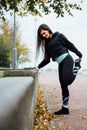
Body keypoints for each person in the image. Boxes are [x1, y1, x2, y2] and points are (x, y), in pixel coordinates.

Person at [35, 24, 82, 115]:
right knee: (63, 85)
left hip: (67, 60)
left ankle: (77, 67)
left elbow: (70, 45)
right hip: (60, 64)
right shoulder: (47, 43)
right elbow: (47, 59)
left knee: (67, 80)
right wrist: (39, 66)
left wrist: (79, 54)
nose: (44, 36)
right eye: (42, 35)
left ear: (47, 30)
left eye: (44, 33)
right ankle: (65, 108)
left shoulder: (59, 36)